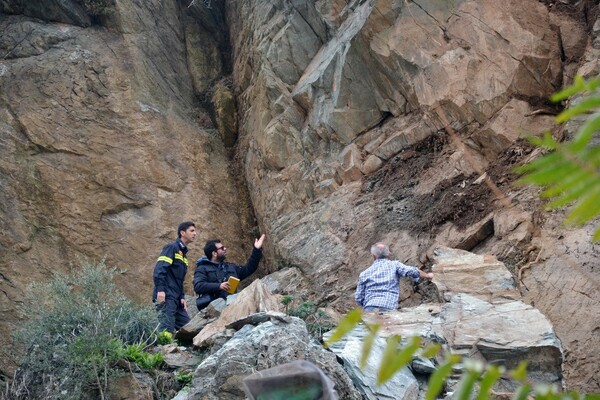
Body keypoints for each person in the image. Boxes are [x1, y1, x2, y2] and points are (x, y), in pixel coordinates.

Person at [193, 234, 266, 311]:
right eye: (222, 248)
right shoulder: (202, 268)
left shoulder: (230, 267)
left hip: (233, 307)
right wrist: (219, 286)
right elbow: (198, 286)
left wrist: (256, 250)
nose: (225, 249)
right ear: (214, 253)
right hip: (214, 310)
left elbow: (249, 268)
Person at [355, 242, 433, 312]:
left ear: (374, 256)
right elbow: (412, 271)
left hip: (369, 308)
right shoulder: (395, 265)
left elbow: (359, 298)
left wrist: (366, 304)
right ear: (389, 254)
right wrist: (428, 275)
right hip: (388, 306)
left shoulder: (364, 274)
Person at [152, 221, 197, 332]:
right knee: (166, 328)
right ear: (182, 232)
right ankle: (164, 348)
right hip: (167, 295)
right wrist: (160, 290)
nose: (195, 233)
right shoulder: (171, 248)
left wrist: (182, 297)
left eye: (195, 231)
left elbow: (179, 280)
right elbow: (159, 270)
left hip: (177, 298)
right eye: (192, 231)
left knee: (189, 328)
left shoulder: (183, 255)